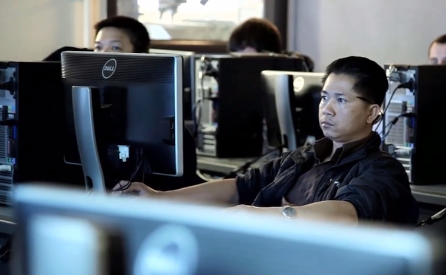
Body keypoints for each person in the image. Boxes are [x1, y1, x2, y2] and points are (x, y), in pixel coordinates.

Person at [113, 56, 419, 226]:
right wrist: (160, 197)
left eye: (341, 100)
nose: (326, 108)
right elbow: (241, 186)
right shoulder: (306, 157)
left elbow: (347, 213)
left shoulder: (382, 170)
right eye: (325, 97)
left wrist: (270, 215)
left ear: (373, 112)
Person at [92, 16, 200, 190]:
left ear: (140, 55)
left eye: (115, 47)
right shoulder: (88, 118)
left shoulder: (170, 129)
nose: (103, 56)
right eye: (98, 48)